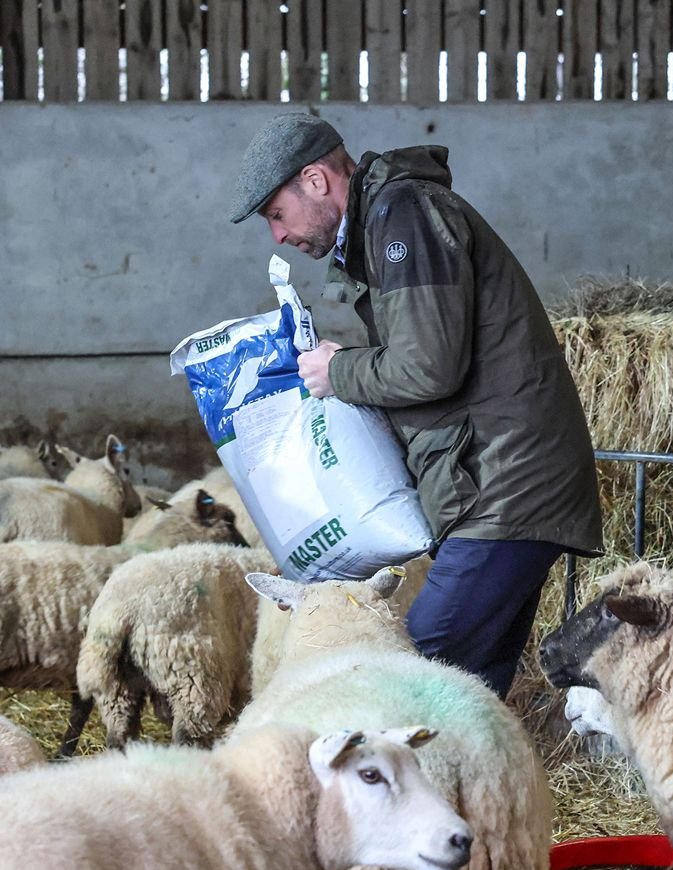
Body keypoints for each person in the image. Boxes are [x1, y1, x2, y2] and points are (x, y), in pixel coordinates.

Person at [229, 111, 603, 697]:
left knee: (406, 684)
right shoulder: (387, 222)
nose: (277, 236)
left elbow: (427, 366)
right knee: (466, 697)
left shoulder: (404, 217)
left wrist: (339, 370)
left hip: (504, 487)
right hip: (499, 486)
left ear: (317, 181)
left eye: (276, 214)